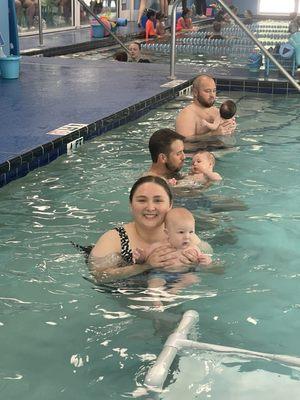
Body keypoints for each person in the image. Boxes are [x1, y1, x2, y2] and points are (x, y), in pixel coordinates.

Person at [89, 176, 206, 283]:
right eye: (142, 200)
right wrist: (145, 266)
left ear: (170, 205)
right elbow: (98, 276)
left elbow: (217, 269)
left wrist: (197, 264)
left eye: (158, 200)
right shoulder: (114, 239)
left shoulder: (185, 237)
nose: (150, 207)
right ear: (131, 204)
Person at [133, 208, 212, 296]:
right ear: (167, 233)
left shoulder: (194, 248)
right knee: (154, 282)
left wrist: (206, 261)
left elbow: (202, 261)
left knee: (192, 279)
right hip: (160, 273)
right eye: (181, 232)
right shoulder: (159, 246)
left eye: (191, 232)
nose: (187, 236)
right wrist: (139, 256)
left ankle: (175, 289)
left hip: (183, 274)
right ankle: (155, 300)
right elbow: (144, 258)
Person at [175, 74, 236, 150]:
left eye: (214, 91)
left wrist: (230, 128)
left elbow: (226, 135)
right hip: (197, 156)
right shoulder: (187, 115)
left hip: (216, 152)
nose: (212, 95)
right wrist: (212, 134)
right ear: (195, 92)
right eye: (208, 91)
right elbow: (182, 144)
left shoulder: (216, 111)